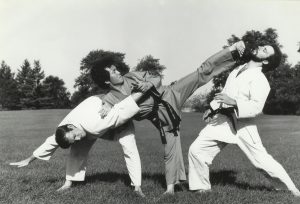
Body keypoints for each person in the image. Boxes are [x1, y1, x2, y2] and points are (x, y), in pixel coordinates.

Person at [11, 41, 245, 195]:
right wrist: (31, 157)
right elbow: (68, 132)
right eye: (112, 72)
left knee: (201, 73)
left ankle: (233, 53)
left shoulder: (132, 75)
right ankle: (171, 189)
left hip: (171, 94)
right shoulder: (109, 99)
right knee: (170, 146)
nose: (116, 70)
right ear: (106, 81)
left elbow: (157, 79)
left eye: (115, 68)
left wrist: (149, 83)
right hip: (160, 116)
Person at [10, 67, 152, 197]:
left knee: (129, 146)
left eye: (75, 136)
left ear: (72, 128)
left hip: (115, 114)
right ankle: (68, 183)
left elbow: (122, 110)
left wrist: (142, 90)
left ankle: (137, 187)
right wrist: (29, 159)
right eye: (74, 139)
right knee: (77, 150)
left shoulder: (94, 122)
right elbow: (51, 142)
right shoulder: (65, 129)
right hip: (94, 123)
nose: (77, 139)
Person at [188, 43, 300, 197]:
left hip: (243, 125)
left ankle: (292, 190)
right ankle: (202, 189)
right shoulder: (237, 70)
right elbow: (225, 93)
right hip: (223, 121)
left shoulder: (260, 79)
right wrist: (212, 108)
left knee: (261, 161)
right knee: (197, 150)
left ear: (266, 61)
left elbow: (256, 107)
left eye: (264, 50)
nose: (260, 47)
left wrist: (234, 102)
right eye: (262, 46)